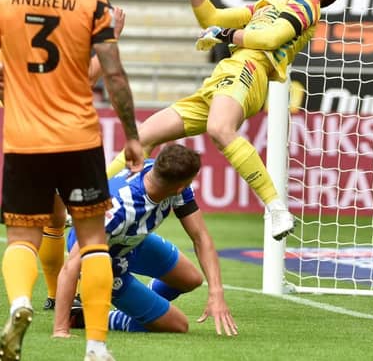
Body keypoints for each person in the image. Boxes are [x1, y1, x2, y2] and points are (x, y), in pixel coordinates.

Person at [107, 0, 341, 241]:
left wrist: (225, 35)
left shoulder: (307, 4)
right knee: (144, 135)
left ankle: (276, 208)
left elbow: (270, 40)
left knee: (220, 129)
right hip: (224, 74)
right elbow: (211, 18)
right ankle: (98, 203)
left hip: (251, 69)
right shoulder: (268, 5)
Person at [0, 0, 143, 361]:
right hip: (79, 136)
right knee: (93, 240)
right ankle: (96, 346)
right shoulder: (92, 1)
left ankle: (21, 302)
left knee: (21, 238)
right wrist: (133, 136)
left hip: (24, 138)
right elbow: (114, 76)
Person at [7, 0, 127, 313]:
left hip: (23, 129)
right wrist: (113, 36)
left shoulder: (11, 11)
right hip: (64, 130)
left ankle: (35, 298)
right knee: (90, 236)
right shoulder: (67, 13)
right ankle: (92, 338)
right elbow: (87, 78)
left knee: (42, 223)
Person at [52, 144, 238, 337]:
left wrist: (216, 291)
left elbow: (201, 237)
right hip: (103, 255)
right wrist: (60, 330)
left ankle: (144, 303)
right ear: (179, 187)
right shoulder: (117, 210)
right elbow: (71, 266)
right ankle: (86, 317)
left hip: (133, 239)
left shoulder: (162, 175)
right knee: (178, 325)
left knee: (191, 279)